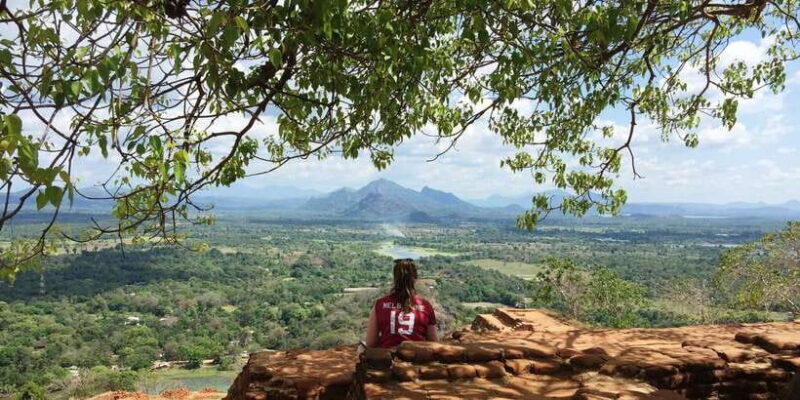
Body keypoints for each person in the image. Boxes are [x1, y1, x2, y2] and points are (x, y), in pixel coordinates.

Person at [364, 258, 438, 348]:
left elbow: (371, 343)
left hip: (388, 356)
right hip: (416, 356)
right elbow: (433, 341)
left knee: (361, 348)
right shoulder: (426, 306)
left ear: (395, 278)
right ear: (415, 278)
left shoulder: (380, 304)